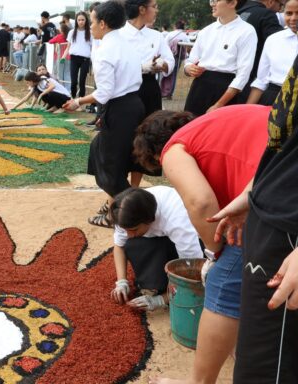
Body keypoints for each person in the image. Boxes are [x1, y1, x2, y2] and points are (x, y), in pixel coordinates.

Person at [132, 105, 270, 384]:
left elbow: (201, 202)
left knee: (223, 286)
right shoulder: (217, 122)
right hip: (280, 185)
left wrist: (214, 253)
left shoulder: (175, 147)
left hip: (275, 199)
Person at [208, 55, 298, 384]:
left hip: (290, 234)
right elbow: (284, 137)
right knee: (255, 361)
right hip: (270, 209)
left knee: (268, 369)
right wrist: (253, 190)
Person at [62, 1, 145, 228]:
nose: (89, 26)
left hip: (119, 109)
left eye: (92, 21)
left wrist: (78, 101)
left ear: (103, 23)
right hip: (133, 105)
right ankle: (116, 206)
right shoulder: (125, 43)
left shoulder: (106, 50)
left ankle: (129, 210)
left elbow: (104, 93)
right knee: (108, 155)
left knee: (110, 164)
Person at [109, 186, 203, 312]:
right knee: (131, 244)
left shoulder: (177, 221)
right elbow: (119, 246)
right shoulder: (124, 213)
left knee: (201, 279)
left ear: (150, 220)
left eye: (133, 230)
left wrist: (161, 300)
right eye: (125, 230)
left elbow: (193, 270)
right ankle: (158, 283)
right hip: (160, 239)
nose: (129, 235)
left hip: (197, 240)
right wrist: (121, 281)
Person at [183, 0, 257, 116]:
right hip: (200, 86)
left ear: (232, 3)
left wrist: (219, 104)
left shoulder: (247, 31)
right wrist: (189, 68)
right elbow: (190, 61)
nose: (212, 4)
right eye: (211, 1)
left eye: (216, 1)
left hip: (226, 89)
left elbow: (243, 74)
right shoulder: (206, 31)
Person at [122, 0, 175, 117]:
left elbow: (170, 61)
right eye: (154, 6)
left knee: (151, 127)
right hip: (125, 88)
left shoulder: (157, 36)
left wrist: (162, 64)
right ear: (142, 9)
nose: (157, 10)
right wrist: (141, 68)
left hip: (149, 86)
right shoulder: (118, 35)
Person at [247, 0, 298, 105]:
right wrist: (247, 108)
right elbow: (261, 80)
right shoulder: (273, 40)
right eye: (289, 13)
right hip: (274, 99)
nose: (293, 18)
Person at [236, 0, 284, 101]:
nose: (280, 10)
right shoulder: (267, 14)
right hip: (251, 77)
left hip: (229, 75)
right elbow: (280, 43)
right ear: (271, 2)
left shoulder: (236, 13)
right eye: (280, 5)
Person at [64, 11, 92, 99]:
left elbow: (93, 48)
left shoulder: (90, 32)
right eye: (79, 20)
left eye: (83, 20)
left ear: (86, 20)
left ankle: (80, 100)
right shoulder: (72, 32)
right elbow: (68, 47)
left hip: (85, 59)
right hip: (74, 58)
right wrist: (63, 56)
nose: (81, 22)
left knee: (82, 81)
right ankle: (72, 98)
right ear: (76, 21)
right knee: (73, 81)